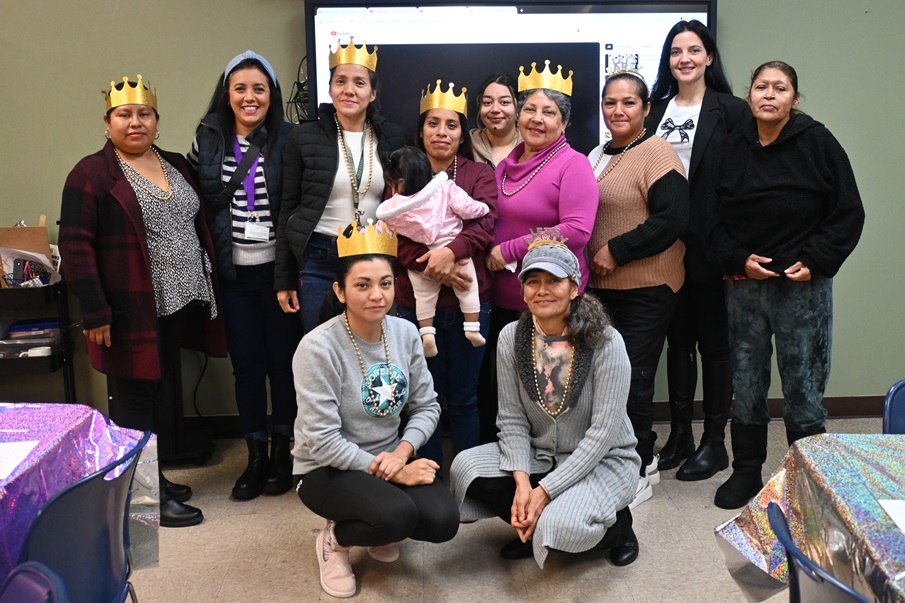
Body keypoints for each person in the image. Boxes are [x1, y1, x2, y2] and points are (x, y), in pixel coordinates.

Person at [59, 75, 226, 527]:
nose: (135, 122)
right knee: (134, 403)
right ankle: (143, 497)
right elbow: (76, 247)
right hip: (129, 310)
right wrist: (94, 310)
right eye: (124, 115)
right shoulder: (91, 174)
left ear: (156, 120)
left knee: (155, 395)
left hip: (179, 303)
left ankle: (155, 478)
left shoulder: (174, 163)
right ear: (108, 122)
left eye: (144, 114)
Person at [710, 61, 864, 509]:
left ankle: (808, 480)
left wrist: (815, 260)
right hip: (744, 285)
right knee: (746, 382)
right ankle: (745, 472)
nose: (769, 94)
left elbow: (849, 212)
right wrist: (738, 258)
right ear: (750, 95)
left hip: (802, 288)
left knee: (803, 387)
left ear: (795, 100)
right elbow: (709, 219)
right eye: (761, 87)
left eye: (781, 88)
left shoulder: (819, 142)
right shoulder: (730, 147)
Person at [450, 235, 640, 569]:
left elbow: (602, 435)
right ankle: (534, 522)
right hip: (541, 454)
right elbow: (510, 419)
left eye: (554, 281)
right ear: (522, 290)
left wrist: (543, 492)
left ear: (574, 288)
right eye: (533, 281)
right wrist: (523, 485)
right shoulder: (512, 336)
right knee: (466, 468)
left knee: (559, 532)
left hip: (603, 460)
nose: (543, 290)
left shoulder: (606, 341)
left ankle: (619, 527)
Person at [293, 220, 459, 599]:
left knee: (442, 520)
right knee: (396, 515)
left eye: (385, 283)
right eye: (362, 285)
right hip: (324, 469)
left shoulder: (404, 332)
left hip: (387, 457)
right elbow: (320, 441)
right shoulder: (317, 348)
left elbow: (426, 406)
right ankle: (335, 539)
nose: (376, 295)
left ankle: (378, 516)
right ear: (339, 290)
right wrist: (395, 474)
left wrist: (401, 453)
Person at [189, 50, 301, 500]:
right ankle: (254, 456)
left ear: (272, 95)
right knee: (247, 370)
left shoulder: (290, 139)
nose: (250, 97)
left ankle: (282, 452)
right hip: (232, 275)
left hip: (277, 277)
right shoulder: (208, 137)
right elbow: (197, 200)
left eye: (259, 89)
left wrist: (289, 272)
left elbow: (295, 205)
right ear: (227, 93)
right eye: (241, 88)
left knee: (284, 367)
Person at [646, 21, 750, 481]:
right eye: (675, 51)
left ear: (709, 57)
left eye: (694, 50)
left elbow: (746, 179)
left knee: (715, 345)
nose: (684, 58)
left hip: (713, 245)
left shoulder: (731, 110)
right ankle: (681, 435)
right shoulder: (654, 113)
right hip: (664, 246)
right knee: (678, 341)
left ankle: (714, 442)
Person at [479, 60, 598, 444]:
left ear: (563, 123)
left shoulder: (573, 164)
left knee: (550, 399)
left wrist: (508, 250)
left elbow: (577, 232)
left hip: (551, 306)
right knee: (505, 397)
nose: (536, 118)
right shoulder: (505, 166)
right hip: (503, 302)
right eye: (529, 108)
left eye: (549, 112)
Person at [587, 71, 689, 507]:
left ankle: (640, 465)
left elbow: (672, 219)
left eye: (629, 102)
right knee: (607, 376)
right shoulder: (598, 153)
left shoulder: (657, 151)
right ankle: (615, 455)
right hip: (604, 288)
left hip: (648, 286)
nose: (618, 110)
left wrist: (618, 250)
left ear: (647, 109)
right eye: (611, 102)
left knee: (634, 377)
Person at [393, 80, 498, 470]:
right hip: (415, 309)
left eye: (451, 125)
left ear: (461, 132)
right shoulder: (402, 170)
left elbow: (486, 225)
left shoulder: (477, 174)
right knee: (426, 399)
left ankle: (467, 480)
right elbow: (394, 233)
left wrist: (449, 255)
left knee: (466, 397)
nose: (442, 132)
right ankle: (430, 478)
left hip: (471, 301)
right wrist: (431, 264)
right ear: (421, 129)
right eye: (433, 123)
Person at [275, 38, 408, 333]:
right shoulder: (303, 137)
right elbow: (288, 209)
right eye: (341, 81)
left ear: (372, 93)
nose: (349, 90)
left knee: (371, 348)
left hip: (374, 256)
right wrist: (283, 278)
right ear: (330, 88)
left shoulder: (393, 138)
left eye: (359, 83)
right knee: (322, 349)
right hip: (320, 258)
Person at [377, 145, 489, 356]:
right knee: (468, 286)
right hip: (453, 246)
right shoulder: (445, 188)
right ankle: (473, 328)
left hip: (421, 259)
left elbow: (384, 233)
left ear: (398, 183)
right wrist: (482, 208)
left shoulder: (393, 208)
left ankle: (427, 334)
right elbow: (469, 208)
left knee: (424, 296)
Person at [469, 73, 522, 169]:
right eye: (487, 103)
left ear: (518, 108)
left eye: (504, 102)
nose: (495, 109)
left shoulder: (530, 145)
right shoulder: (468, 145)